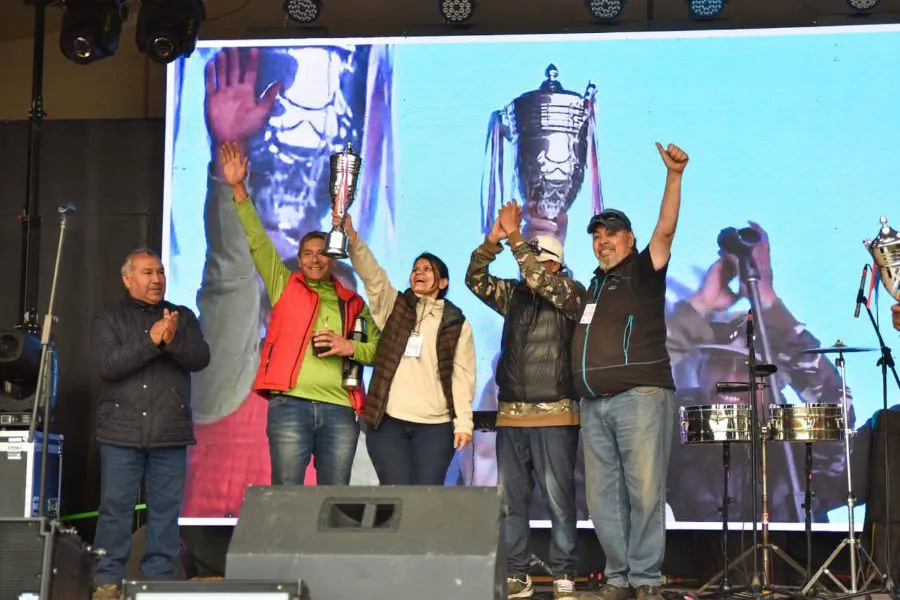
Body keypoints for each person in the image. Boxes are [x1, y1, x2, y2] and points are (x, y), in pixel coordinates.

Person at [181, 44, 396, 516]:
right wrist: (230, 175)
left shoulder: (353, 404)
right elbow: (231, 270)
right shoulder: (234, 372)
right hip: (220, 557)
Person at [666, 223, 853, 523]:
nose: (728, 379)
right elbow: (634, 387)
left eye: (746, 367)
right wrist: (700, 305)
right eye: (717, 363)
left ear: (774, 381)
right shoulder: (681, 421)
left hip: (788, 567)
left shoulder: (790, 434)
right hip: (696, 566)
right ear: (699, 370)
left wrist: (766, 297)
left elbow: (838, 408)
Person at [219, 141, 381, 486]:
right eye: (307, 253)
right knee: (287, 497)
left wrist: (349, 347)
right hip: (290, 406)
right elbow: (258, 241)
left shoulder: (353, 302)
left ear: (333, 257)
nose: (314, 259)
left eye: (322, 253)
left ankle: (327, 545)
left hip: (340, 409)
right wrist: (237, 187)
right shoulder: (284, 285)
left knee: (333, 502)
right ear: (300, 257)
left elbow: (381, 350)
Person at [573, 143, 689, 600]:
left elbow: (665, 231)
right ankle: (619, 577)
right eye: (597, 235)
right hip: (593, 405)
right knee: (603, 501)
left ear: (630, 239)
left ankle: (644, 579)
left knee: (644, 493)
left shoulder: (644, 270)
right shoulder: (594, 287)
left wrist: (674, 177)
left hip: (640, 397)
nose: (602, 240)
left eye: (611, 233)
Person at [465, 200, 584, 600]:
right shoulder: (514, 295)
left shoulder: (570, 292)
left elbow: (540, 282)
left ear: (552, 262)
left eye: (533, 257)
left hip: (555, 415)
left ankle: (565, 573)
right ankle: (518, 572)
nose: (524, 263)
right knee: (510, 503)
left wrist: (516, 237)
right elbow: (474, 278)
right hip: (511, 415)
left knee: (559, 500)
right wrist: (492, 242)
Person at [90, 248, 210, 599]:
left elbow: (201, 358)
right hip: (120, 431)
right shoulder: (108, 317)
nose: (156, 279)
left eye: (160, 272)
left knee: (165, 513)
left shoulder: (182, 316)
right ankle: (107, 581)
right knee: (114, 510)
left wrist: (171, 340)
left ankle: (157, 580)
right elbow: (108, 365)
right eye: (147, 273)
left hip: (170, 432)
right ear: (128, 279)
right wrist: (150, 340)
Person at [336, 211, 476, 485]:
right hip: (389, 423)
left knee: (425, 499)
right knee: (395, 497)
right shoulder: (395, 307)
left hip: (435, 427)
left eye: (427, 269)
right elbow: (373, 277)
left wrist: (463, 424)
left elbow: (463, 377)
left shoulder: (456, 322)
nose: (419, 273)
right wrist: (352, 238)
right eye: (415, 268)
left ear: (443, 283)